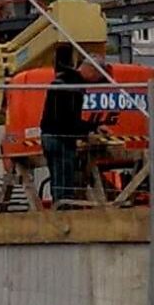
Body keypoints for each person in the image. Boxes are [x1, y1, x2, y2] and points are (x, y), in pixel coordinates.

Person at [38, 43, 91, 206]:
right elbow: (70, 118)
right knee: (65, 179)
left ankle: (59, 206)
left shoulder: (58, 83)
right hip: (61, 138)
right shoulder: (73, 85)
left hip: (49, 135)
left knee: (57, 178)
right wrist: (89, 130)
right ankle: (63, 209)